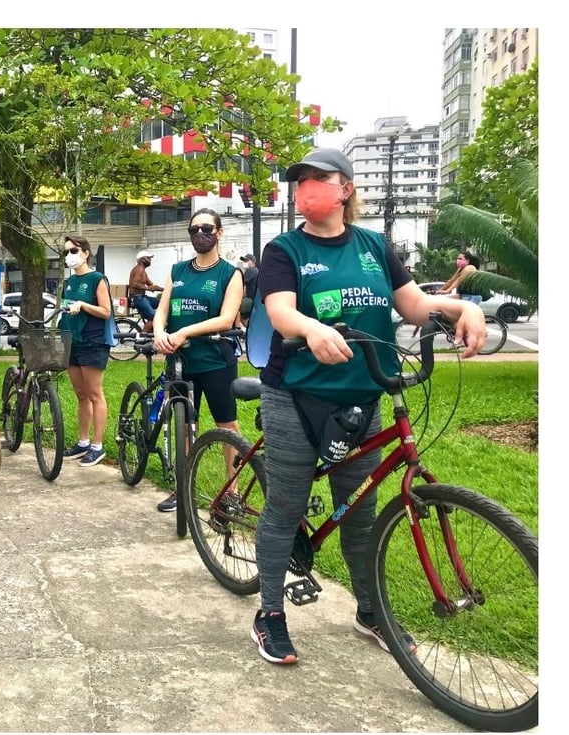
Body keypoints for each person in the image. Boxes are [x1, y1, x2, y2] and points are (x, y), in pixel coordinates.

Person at [250, 147, 486, 665]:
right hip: (296, 395)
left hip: (363, 395)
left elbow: (415, 306)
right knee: (285, 506)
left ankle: (369, 610)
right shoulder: (283, 249)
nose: (306, 188)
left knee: (359, 515)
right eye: (300, 181)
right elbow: (281, 311)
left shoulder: (375, 246)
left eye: (319, 178)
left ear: (346, 189)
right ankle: (269, 613)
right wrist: (310, 328)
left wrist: (462, 305)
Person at [151, 209, 244, 513]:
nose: (199, 235)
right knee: (185, 425)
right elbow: (162, 310)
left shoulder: (230, 274)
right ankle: (182, 487)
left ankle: (232, 492)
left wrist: (185, 331)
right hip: (180, 360)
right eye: (193, 230)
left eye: (206, 228)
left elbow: (227, 317)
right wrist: (159, 332)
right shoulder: (178, 271)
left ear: (219, 233)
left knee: (226, 424)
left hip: (215, 359)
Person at [60, 234, 116, 467]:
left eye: (73, 251)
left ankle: (97, 445)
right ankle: (83, 442)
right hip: (72, 341)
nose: (69, 256)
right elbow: (64, 307)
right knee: (80, 394)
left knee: (94, 394)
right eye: (65, 252)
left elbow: (106, 311)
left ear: (85, 252)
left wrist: (83, 305)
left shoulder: (97, 279)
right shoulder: (69, 282)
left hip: (93, 341)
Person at [127, 249, 164, 333]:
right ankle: (141, 339)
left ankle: (152, 330)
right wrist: (147, 288)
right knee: (153, 317)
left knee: (162, 303)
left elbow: (152, 286)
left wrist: (166, 289)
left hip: (143, 297)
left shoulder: (143, 271)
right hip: (137, 299)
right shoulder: (138, 269)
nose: (150, 260)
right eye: (148, 258)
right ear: (142, 259)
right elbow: (134, 284)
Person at [238, 253, 259, 326]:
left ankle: (243, 329)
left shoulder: (251, 271)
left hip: (251, 300)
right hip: (254, 300)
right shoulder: (255, 271)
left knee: (237, 307)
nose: (245, 262)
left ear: (253, 262)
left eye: (247, 260)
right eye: (244, 261)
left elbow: (239, 282)